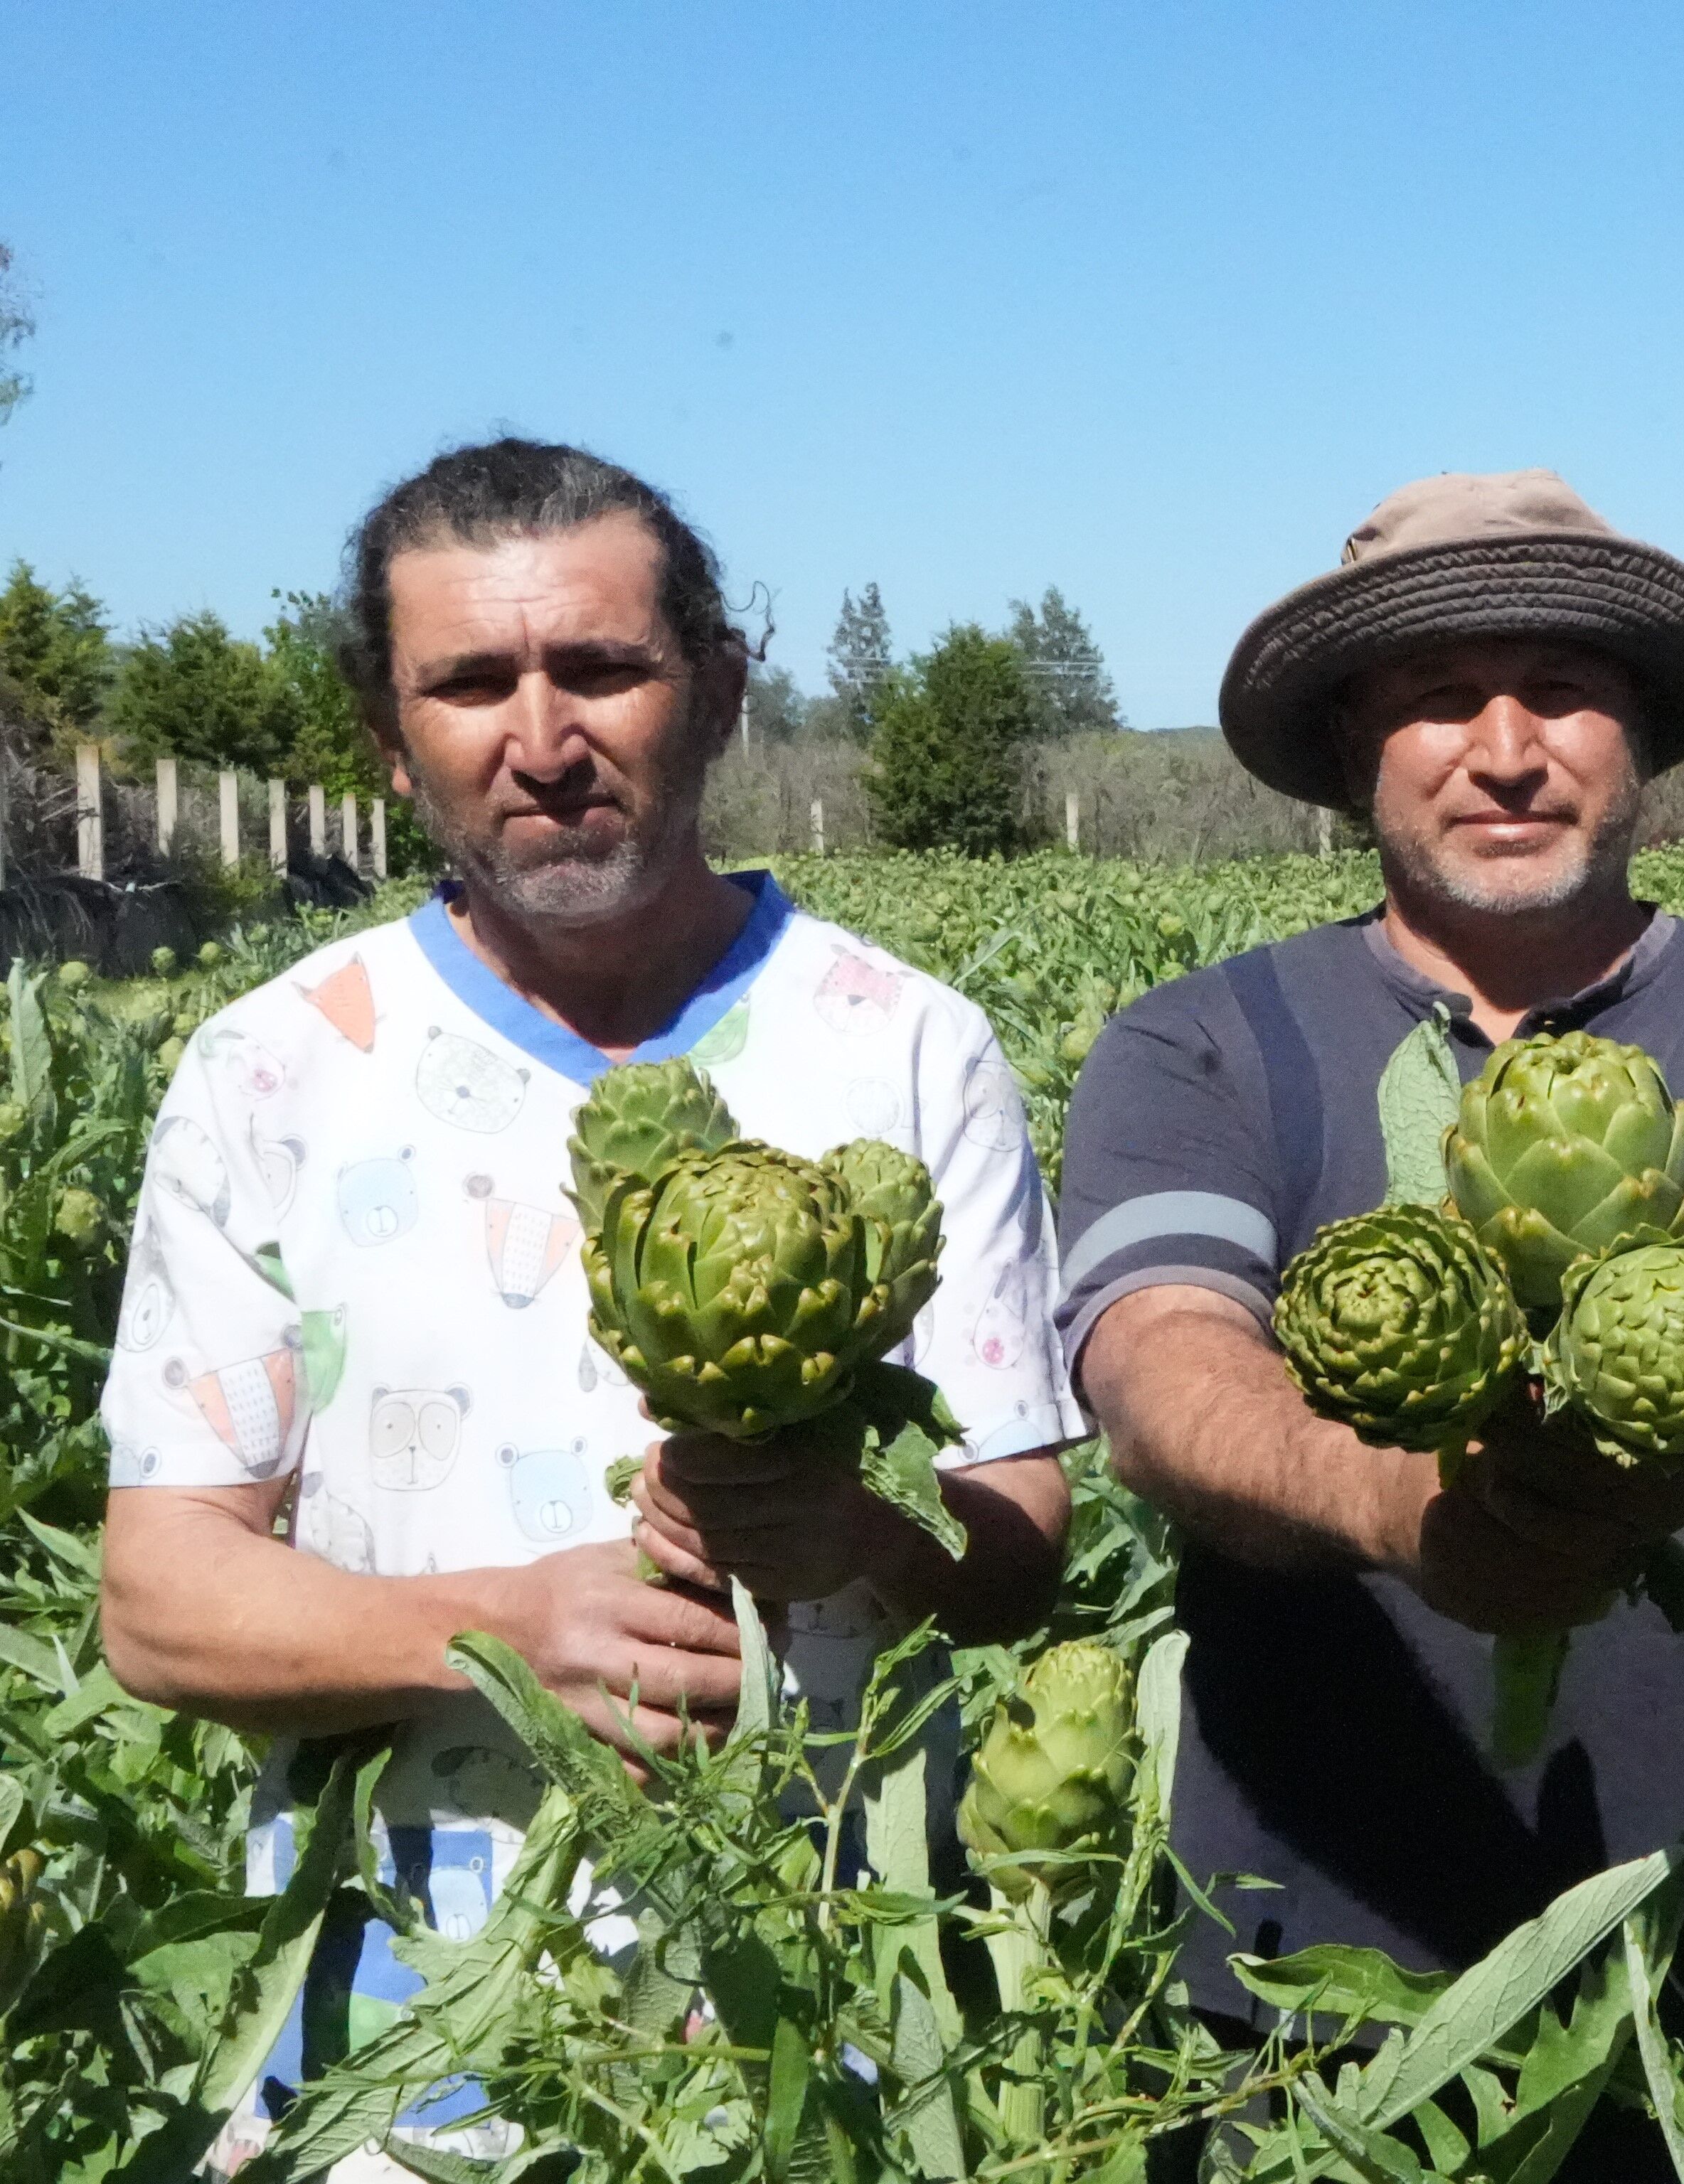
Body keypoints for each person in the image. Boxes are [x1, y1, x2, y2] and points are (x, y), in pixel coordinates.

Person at [97, 439, 1078, 2158]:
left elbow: (1022, 1548)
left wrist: (855, 1532)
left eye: (603, 669)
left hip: (834, 2041)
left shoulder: (911, 1049)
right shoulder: (272, 1072)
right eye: (470, 683)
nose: (542, 741)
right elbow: (158, 1601)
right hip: (395, 2070)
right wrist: (503, 1637)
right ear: (386, 735)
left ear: (719, 694)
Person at [1057, 471, 1684, 2120]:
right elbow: (1158, 1364)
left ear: (1642, 735)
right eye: (1436, 697)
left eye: (1561, 688)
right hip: (1313, 1983)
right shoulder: (1202, 1046)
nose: (1505, 749)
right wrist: (1401, 1504)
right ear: (1355, 742)